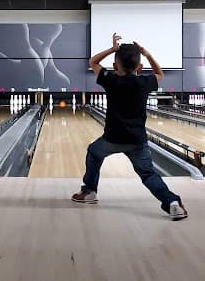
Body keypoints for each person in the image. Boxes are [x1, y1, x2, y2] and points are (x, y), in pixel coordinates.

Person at [72, 33, 188, 220]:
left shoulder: (110, 80)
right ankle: (173, 203)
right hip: (137, 142)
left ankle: (90, 191)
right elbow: (160, 74)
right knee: (148, 174)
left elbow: (93, 61)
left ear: (115, 66)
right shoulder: (144, 82)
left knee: (94, 152)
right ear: (140, 67)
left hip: (112, 139)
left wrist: (112, 49)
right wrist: (147, 54)